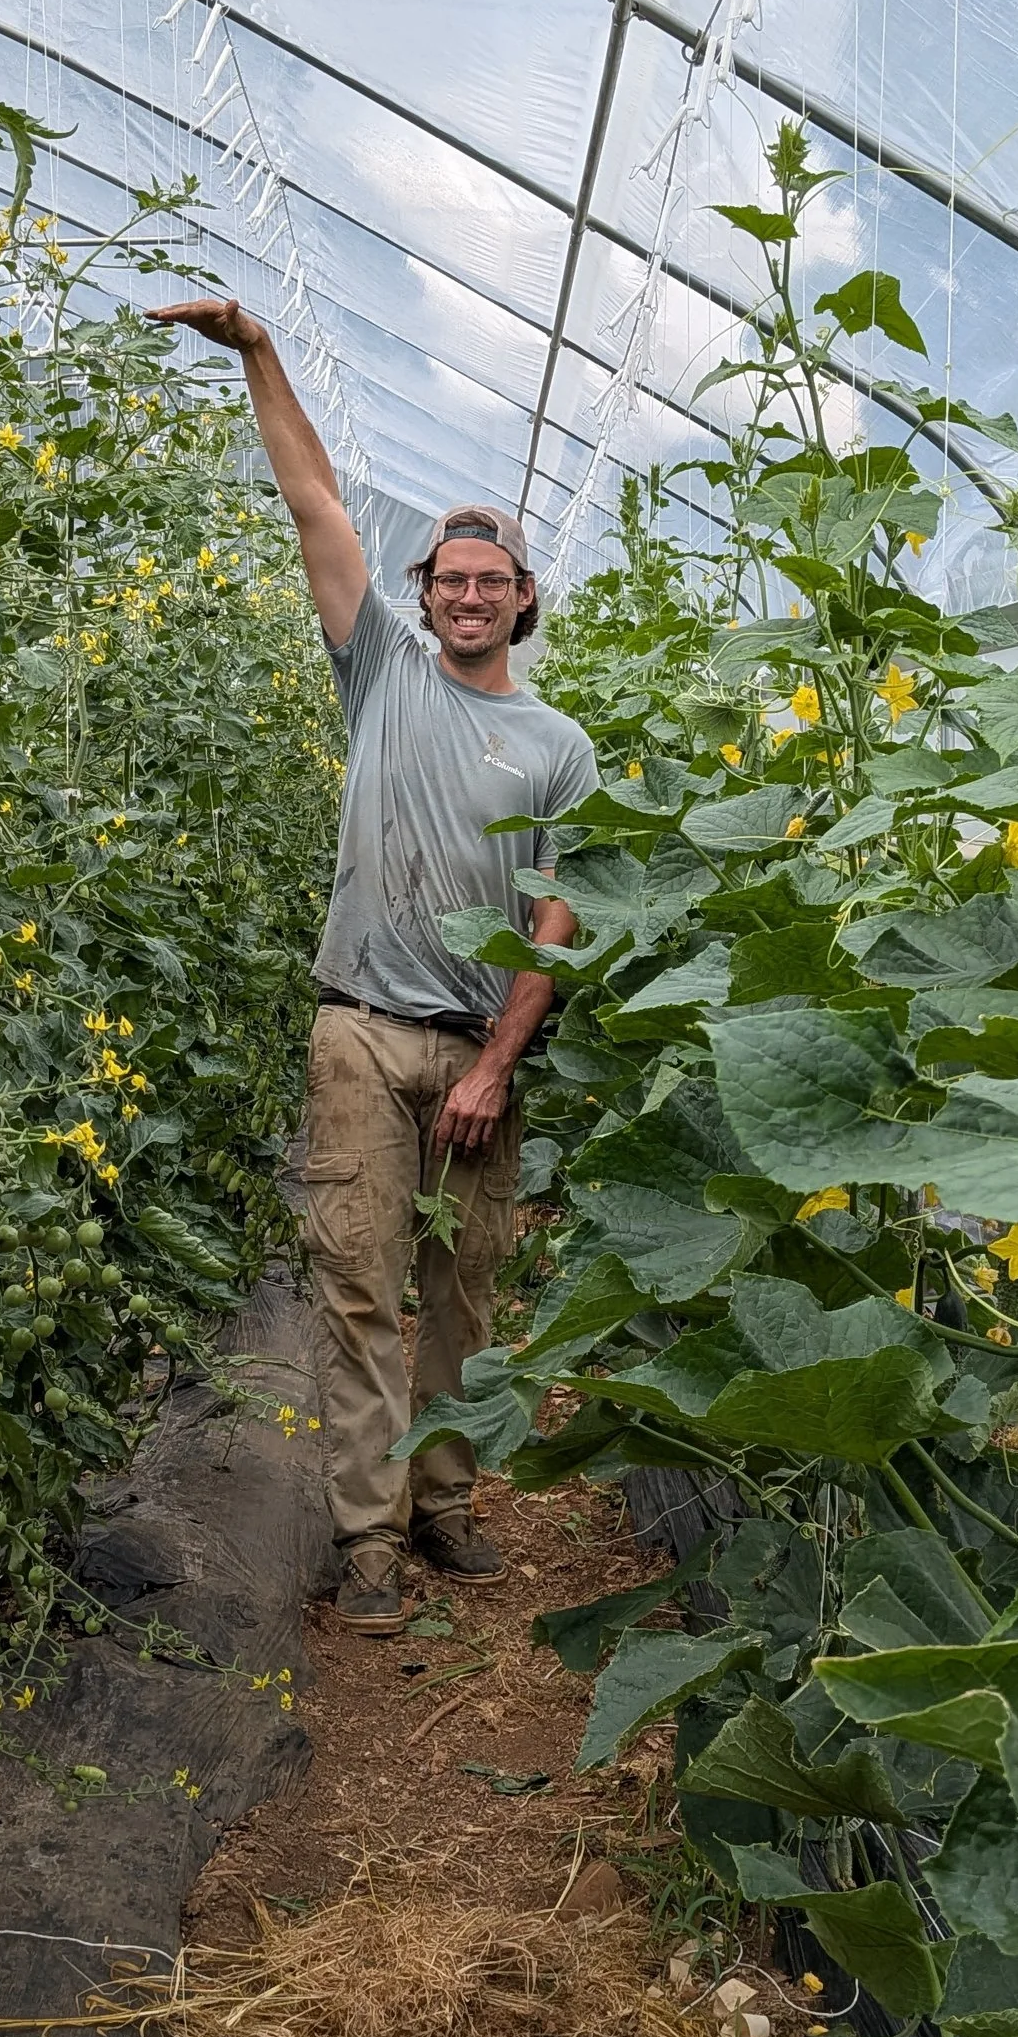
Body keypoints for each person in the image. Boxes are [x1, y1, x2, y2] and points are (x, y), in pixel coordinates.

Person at [150, 297, 599, 1628]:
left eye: (490, 582)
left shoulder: (558, 749)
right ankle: (369, 1541)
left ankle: (445, 1507)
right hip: (357, 1030)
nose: (467, 596)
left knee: (465, 1298)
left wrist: (499, 1066)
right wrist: (260, 355)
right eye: (447, 580)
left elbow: (554, 920)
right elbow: (315, 508)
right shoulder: (384, 680)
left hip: (479, 1054)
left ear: (522, 601)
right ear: (424, 597)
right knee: (358, 1288)